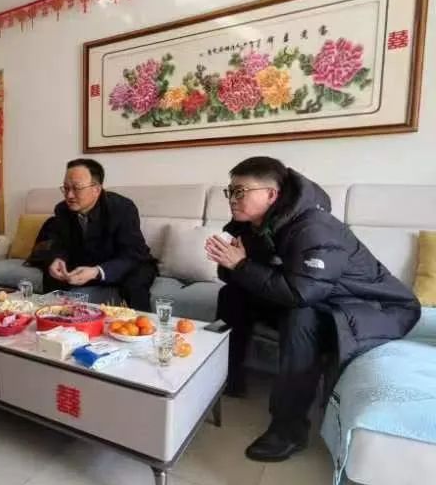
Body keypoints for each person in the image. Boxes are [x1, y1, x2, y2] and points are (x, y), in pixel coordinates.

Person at [205, 157, 420, 462]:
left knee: (300, 318)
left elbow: (299, 294)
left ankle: (288, 430)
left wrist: (241, 265)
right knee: (232, 296)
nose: (232, 199)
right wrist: (233, 264)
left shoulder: (315, 227)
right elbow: (238, 277)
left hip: (376, 308)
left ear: (271, 194)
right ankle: (229, 378)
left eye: (240, 191)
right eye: (230, 191)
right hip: (321, 297)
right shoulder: (250, 226)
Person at [39, 158, 157, 311]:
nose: (69, 195)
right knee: (52, 274)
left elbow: (132, 254)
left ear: (96, 189)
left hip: (126, 262)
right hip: (86, 262)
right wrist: (58, 259)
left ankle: (142, 324)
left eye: (77, 188)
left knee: (135, 284)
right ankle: (52, 318)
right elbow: (60, 243)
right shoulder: (62, 209)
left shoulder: (122, 208)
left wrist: (97, 271)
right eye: (66, 188)